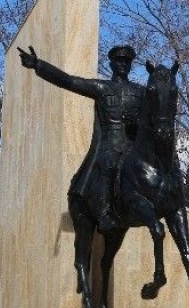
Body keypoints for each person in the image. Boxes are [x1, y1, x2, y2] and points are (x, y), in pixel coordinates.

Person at [18, 45, 145, 231]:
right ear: (111, 64)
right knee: (108, 162)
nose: (123, 64)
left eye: (127, 61)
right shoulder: (101, 87)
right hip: (109, 145)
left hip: (133, 145)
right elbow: (69, 81)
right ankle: (104, 212)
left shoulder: (141, 92)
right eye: (119, 61)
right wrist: (38, 65)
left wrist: (138, 123)